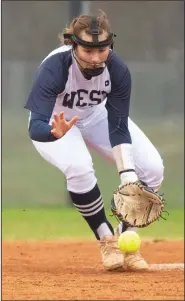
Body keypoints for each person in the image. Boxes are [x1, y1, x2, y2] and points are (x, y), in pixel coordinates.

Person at [24, 10, 164, 271]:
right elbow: (36, 126)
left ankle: (126, 238)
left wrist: (128, 175)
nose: (96, 57)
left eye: (102, 49)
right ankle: (106, 238)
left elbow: (118, 124)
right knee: (78, 167)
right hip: (56, 120)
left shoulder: (117, 69)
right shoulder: (55, 67)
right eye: (88, 50)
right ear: (72, 45)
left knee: (152, 170)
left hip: (96, 115)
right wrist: (54, 132)